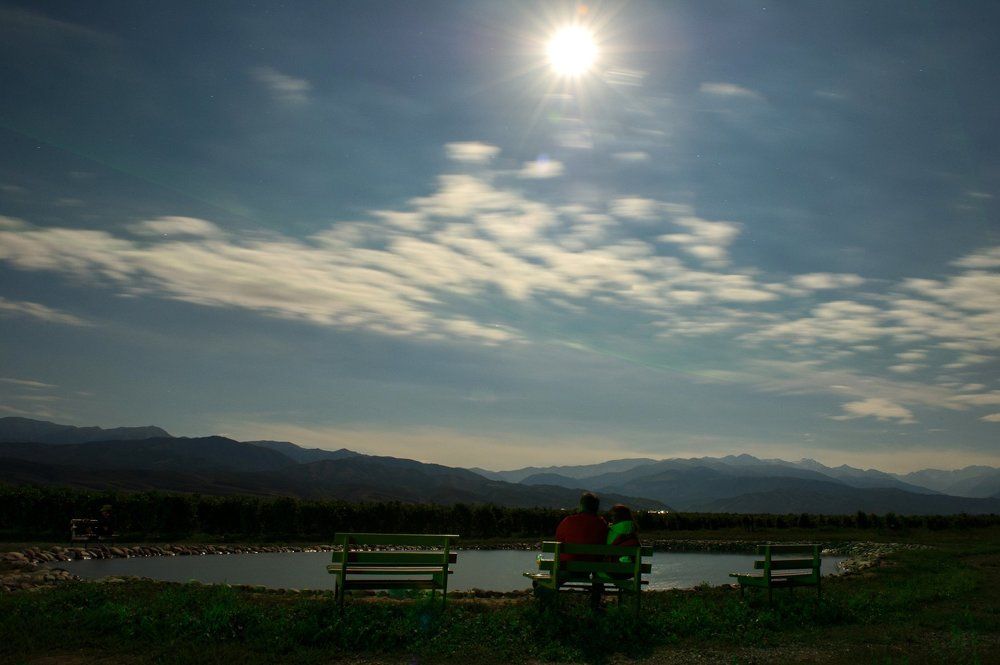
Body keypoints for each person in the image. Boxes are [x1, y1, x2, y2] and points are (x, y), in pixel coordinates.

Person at [555, 492, 609, 561]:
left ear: (581, 506)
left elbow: (558, 538)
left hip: (569, 565)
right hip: (593, 565)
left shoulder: (568, 521)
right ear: (596, 507)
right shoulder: (601, 523)